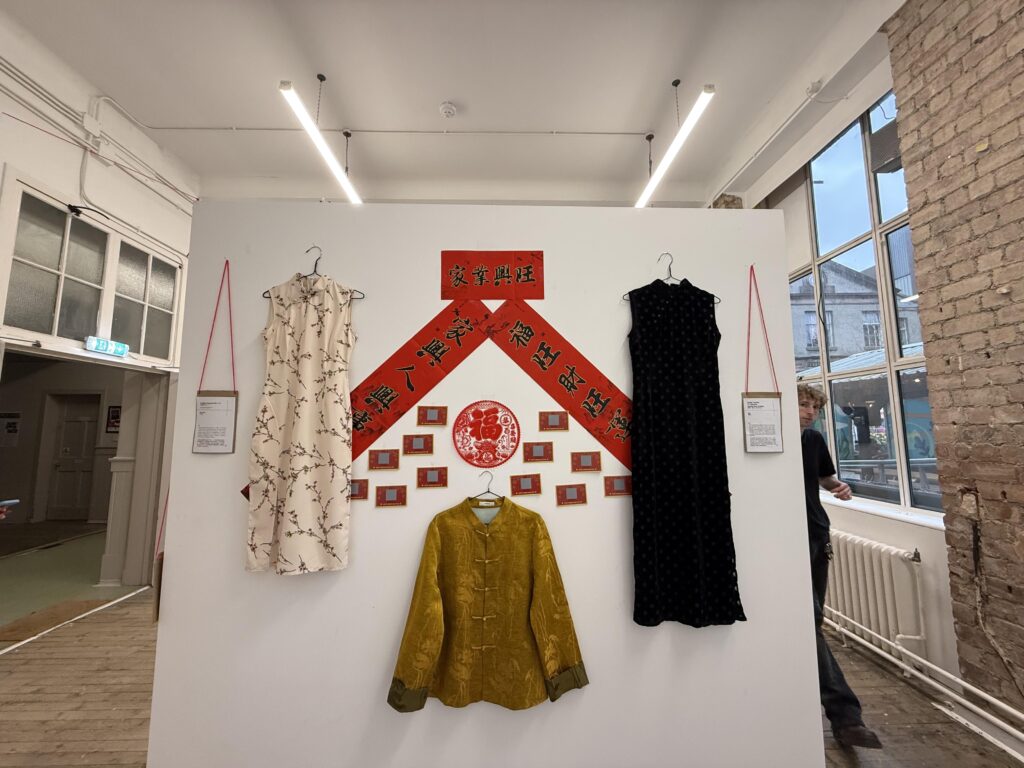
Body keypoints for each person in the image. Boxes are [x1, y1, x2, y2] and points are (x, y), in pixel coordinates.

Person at [798, 384, 883, 750]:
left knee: (811, 622)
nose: (808, 411)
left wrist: (839, 487)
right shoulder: (766, 438)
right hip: (781, 537)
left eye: (814, 407)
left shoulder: (812, 440)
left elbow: (823, 478)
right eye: (803, 404)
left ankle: (841, 715)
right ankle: (845, 715)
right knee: (807, 621)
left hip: (814, 533)